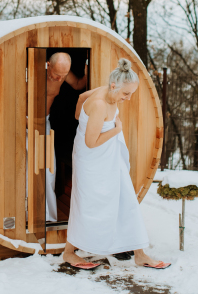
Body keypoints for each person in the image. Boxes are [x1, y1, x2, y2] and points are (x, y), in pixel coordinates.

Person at [63, 58, 171, 270]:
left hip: (110, 156)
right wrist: (116, 130)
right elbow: (91, 142)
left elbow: (79, 101)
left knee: (126, 198)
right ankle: (69, 252)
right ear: (114, 86)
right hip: (92, 160)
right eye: (125, 94)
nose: (128, 98)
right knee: (88, 203)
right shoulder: (99, 104)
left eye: (130, 93)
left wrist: (82, 117)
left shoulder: (106, 91)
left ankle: (140, 254)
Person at [42, 52, 87, 222]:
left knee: (48, 170)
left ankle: (49, 219)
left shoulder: (63, 75)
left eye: (63, 75)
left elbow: (77, 84)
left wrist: (89, 70)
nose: (60, 78)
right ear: (48, 65)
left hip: (43, 122)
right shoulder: (31, 72)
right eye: (56, 74)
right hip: (21, 122)